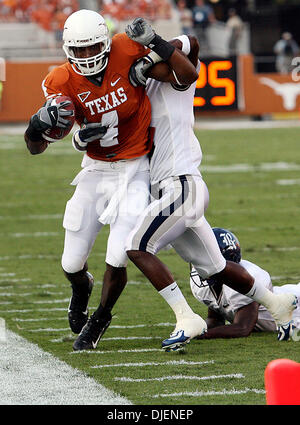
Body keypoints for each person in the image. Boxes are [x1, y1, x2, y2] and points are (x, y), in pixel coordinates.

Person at [24, 11, 199, 351]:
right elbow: (36, 147)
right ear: (67, 50)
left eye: (93, 48)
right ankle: (81, 287)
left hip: (136, 169)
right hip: (95, 169)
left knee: (119, 254)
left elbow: (187, 64)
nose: (87, 57)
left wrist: (153, 48)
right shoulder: (59, 81)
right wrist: (37, 126)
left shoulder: (125, 47)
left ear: (106, 42)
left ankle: (100, 319)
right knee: (71, 262)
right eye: (80, 50)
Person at [120, 33, 296, 352]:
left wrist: (153, 46)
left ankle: (186, 317)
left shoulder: (178, 84)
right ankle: (277, 303)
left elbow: (191, 45)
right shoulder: (139, 97)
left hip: (181, 185)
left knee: (137, 245)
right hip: (171, 189)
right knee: (214, 267)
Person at [190, 227, 300, 340]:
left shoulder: (248, 277)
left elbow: (243, 328)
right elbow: (215, 320)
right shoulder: (204, 282)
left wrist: (202, 335)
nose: (199, 263)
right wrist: (195, 330)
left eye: (205, 258)